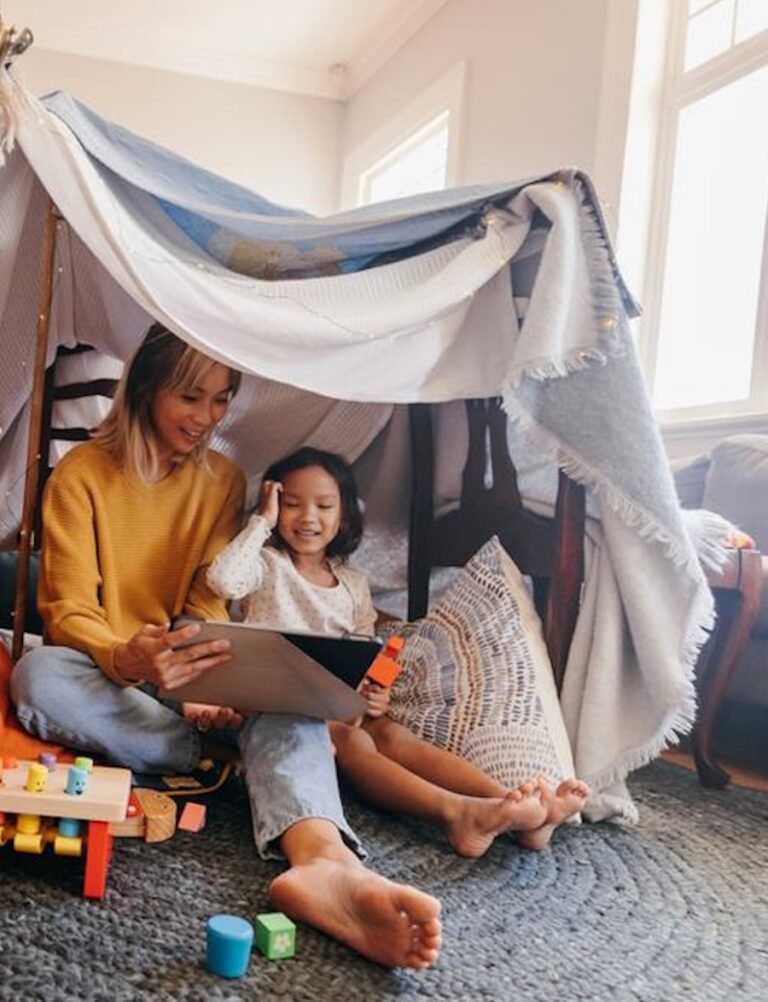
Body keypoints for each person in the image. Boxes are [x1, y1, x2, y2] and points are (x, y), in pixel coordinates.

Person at [10, 325, 442, 969]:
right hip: (113, 667)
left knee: (285, 691)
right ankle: (229, 762)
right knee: (39, 676)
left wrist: (205, 680)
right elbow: (68, 610)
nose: (208, 417)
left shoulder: (222, 480)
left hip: (187, 675)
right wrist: (128, 656)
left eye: (222, 399)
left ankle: (324, 862)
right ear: (148, 387)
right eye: (191, 397)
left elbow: (209, 602)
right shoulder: (79, 477)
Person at [200, 446, 589, 858]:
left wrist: (373, 694)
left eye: (324, 505)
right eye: (292, 504)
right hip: (281, 712)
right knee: (356, 742)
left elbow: (368, 658)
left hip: (338, 708)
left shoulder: (352, 585)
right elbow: (223, 581)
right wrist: (262, 520)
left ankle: (519, 807)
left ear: (345, 515)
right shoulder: (267, 565)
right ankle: (456, 813)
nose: (308, 517)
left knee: (390, 733)